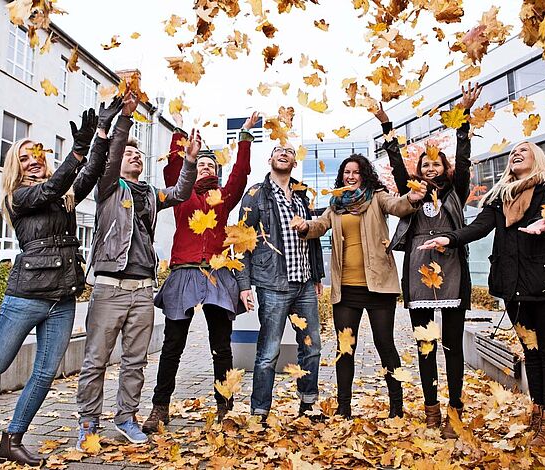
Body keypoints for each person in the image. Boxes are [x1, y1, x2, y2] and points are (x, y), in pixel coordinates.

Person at [0, 103, 108, 465]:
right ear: (16, 165)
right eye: (25, 158)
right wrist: (76, 151)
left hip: (62, 298)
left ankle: (12, 438)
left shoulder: (65, 197)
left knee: (44, 373)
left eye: (38, 155)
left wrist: (101, 136)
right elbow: (51, 188)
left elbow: (87, 176)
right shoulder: (18, 198)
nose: (33, 161)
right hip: (26, 297)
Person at [419, 141, 545, 450]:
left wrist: (543, 222)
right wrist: (449, 238)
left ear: (536, 159)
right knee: (531, 353)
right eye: (513, 152)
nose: (516, 154)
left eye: (524, 151)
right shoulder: (500, 196)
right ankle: (537, 413)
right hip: (514, 287)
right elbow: (479, 227)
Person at [75, 95, 201, 449]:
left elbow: (180, 191)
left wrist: (189, 160)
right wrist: (125, 122)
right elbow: (111, 157)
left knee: (135, 361)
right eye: (131, 154)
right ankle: (88, 421)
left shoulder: (148, 193)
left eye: (139, 155)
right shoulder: (108, 188)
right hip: (109, 287)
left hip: (143, 288)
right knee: (96, 360)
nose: (135, 157)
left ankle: (126, 418)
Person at [375, 82, 482, 437]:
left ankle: (454, 409)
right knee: (425, 344)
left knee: (451, 345)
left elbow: (464, 159)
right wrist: (386, 125)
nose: (431, 168)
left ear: (444, 167)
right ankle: (431, 408)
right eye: (426, 164)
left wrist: (463, 118)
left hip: (451, 267)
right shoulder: (413, 192)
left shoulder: (457, 190)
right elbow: (395, 162)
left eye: (437, 163)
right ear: (419, 169)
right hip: (418, 271)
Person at [142, 112, 259, 432]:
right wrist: (179, 135)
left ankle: (226, 407)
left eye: (211, 165)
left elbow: (240, 174)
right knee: (172, 344)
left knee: (221, 345)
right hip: (183, 271)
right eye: (201, 164)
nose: (206, 167)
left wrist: (245, 137)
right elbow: (172, 168)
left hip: (218, 275)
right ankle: (159, 408)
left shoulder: (224, 197)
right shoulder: (181, 196)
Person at [292, 155, 425, 419]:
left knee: (385, 345)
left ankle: (396, 408)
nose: (350, 176)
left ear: (364, 174)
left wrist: (411, 198)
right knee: (345, 349)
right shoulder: (336, 205)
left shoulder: (377, 197)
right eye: (346, 172)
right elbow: (320, 225)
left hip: (379, 286)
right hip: (346, 289)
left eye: (356, 172)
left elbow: (398, 206)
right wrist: (306, 226)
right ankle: (343, 408)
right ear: (341, 176)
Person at [236, 144, 325, 422]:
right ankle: (259, 410)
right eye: (278, 150)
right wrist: (244, 284)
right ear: (270, 159)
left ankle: (308, 404)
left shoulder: (302, 194)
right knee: (268, 351)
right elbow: (241, 240)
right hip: (272, 284)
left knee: (312, 347)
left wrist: (317, 275)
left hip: (305, 284)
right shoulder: (255, 194)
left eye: (288, 151)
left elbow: (314, 236)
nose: (283, 153)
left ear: (294, 162)